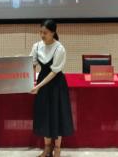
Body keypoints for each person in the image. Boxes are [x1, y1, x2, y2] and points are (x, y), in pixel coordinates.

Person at [30, 19, 74, 157]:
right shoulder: (37, 46)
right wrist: (32, 81)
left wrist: (38, 86)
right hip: (42, 83)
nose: (42, 35)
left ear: (53, 32)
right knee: (45, 115)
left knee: (56, 115)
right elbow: (32, 64)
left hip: (56, 85)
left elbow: (54, 72)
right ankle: (47, 148)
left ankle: (57, 149)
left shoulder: (59, 48)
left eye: (45, 33)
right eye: (41, 32)